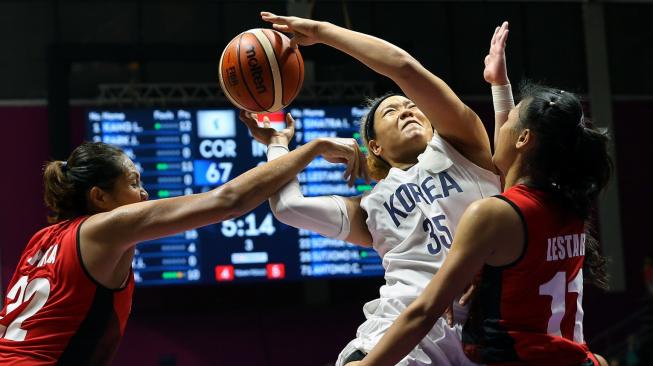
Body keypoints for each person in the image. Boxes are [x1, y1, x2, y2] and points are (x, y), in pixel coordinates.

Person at [247, 12, 511, 365]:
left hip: (480, 339)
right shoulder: (372, 204)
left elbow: (402, 67)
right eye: (390, 111)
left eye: (412, 106)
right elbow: (288, 208)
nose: (406, 110)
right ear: (375, 147)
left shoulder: (464, 147)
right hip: (395, 340)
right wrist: (280, 143)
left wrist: (323, 32)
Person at [0, 117, 363, 365]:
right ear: (99, 197)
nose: (144, 194)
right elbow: (228, 200)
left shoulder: (41, 239)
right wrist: (312, 148)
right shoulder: (104, 228)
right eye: (132, 182)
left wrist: (279, 144)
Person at [348, 83, 612, 366]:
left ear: (523, 138)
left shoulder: (495, 214)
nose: (499, 126)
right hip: (577, 356)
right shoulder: (568, 209)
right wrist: (500, 84)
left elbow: (423, 312)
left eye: (508, 119)